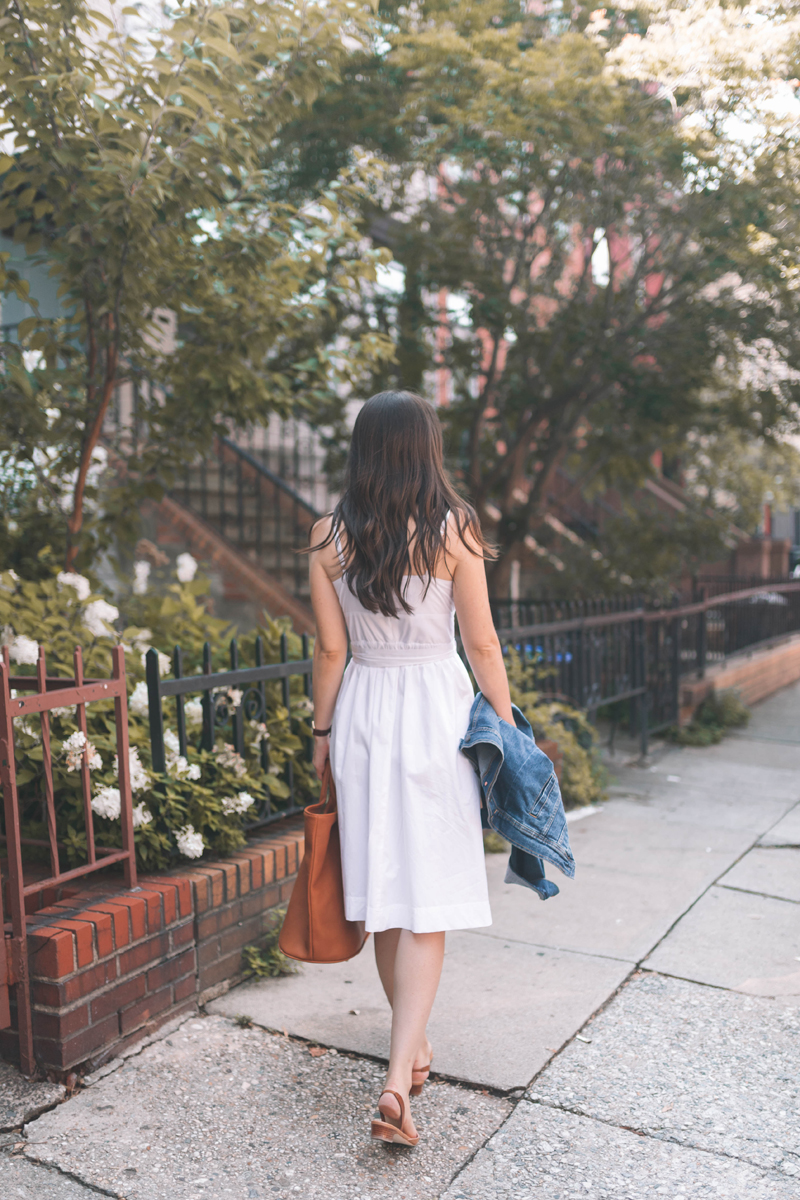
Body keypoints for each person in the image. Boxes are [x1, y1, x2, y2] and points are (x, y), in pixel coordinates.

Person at [307, 390, 514, 1147]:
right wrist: (510, 723)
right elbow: (483, 644)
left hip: (364, 708)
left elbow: (330, 651)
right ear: (426, 447)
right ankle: (398, 1078)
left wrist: (322, 730)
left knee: (388, 892)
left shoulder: (328, 535)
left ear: (362, 449)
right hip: (436, 709)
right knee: (427, 893)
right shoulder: (455, 529)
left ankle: (411, 1046)